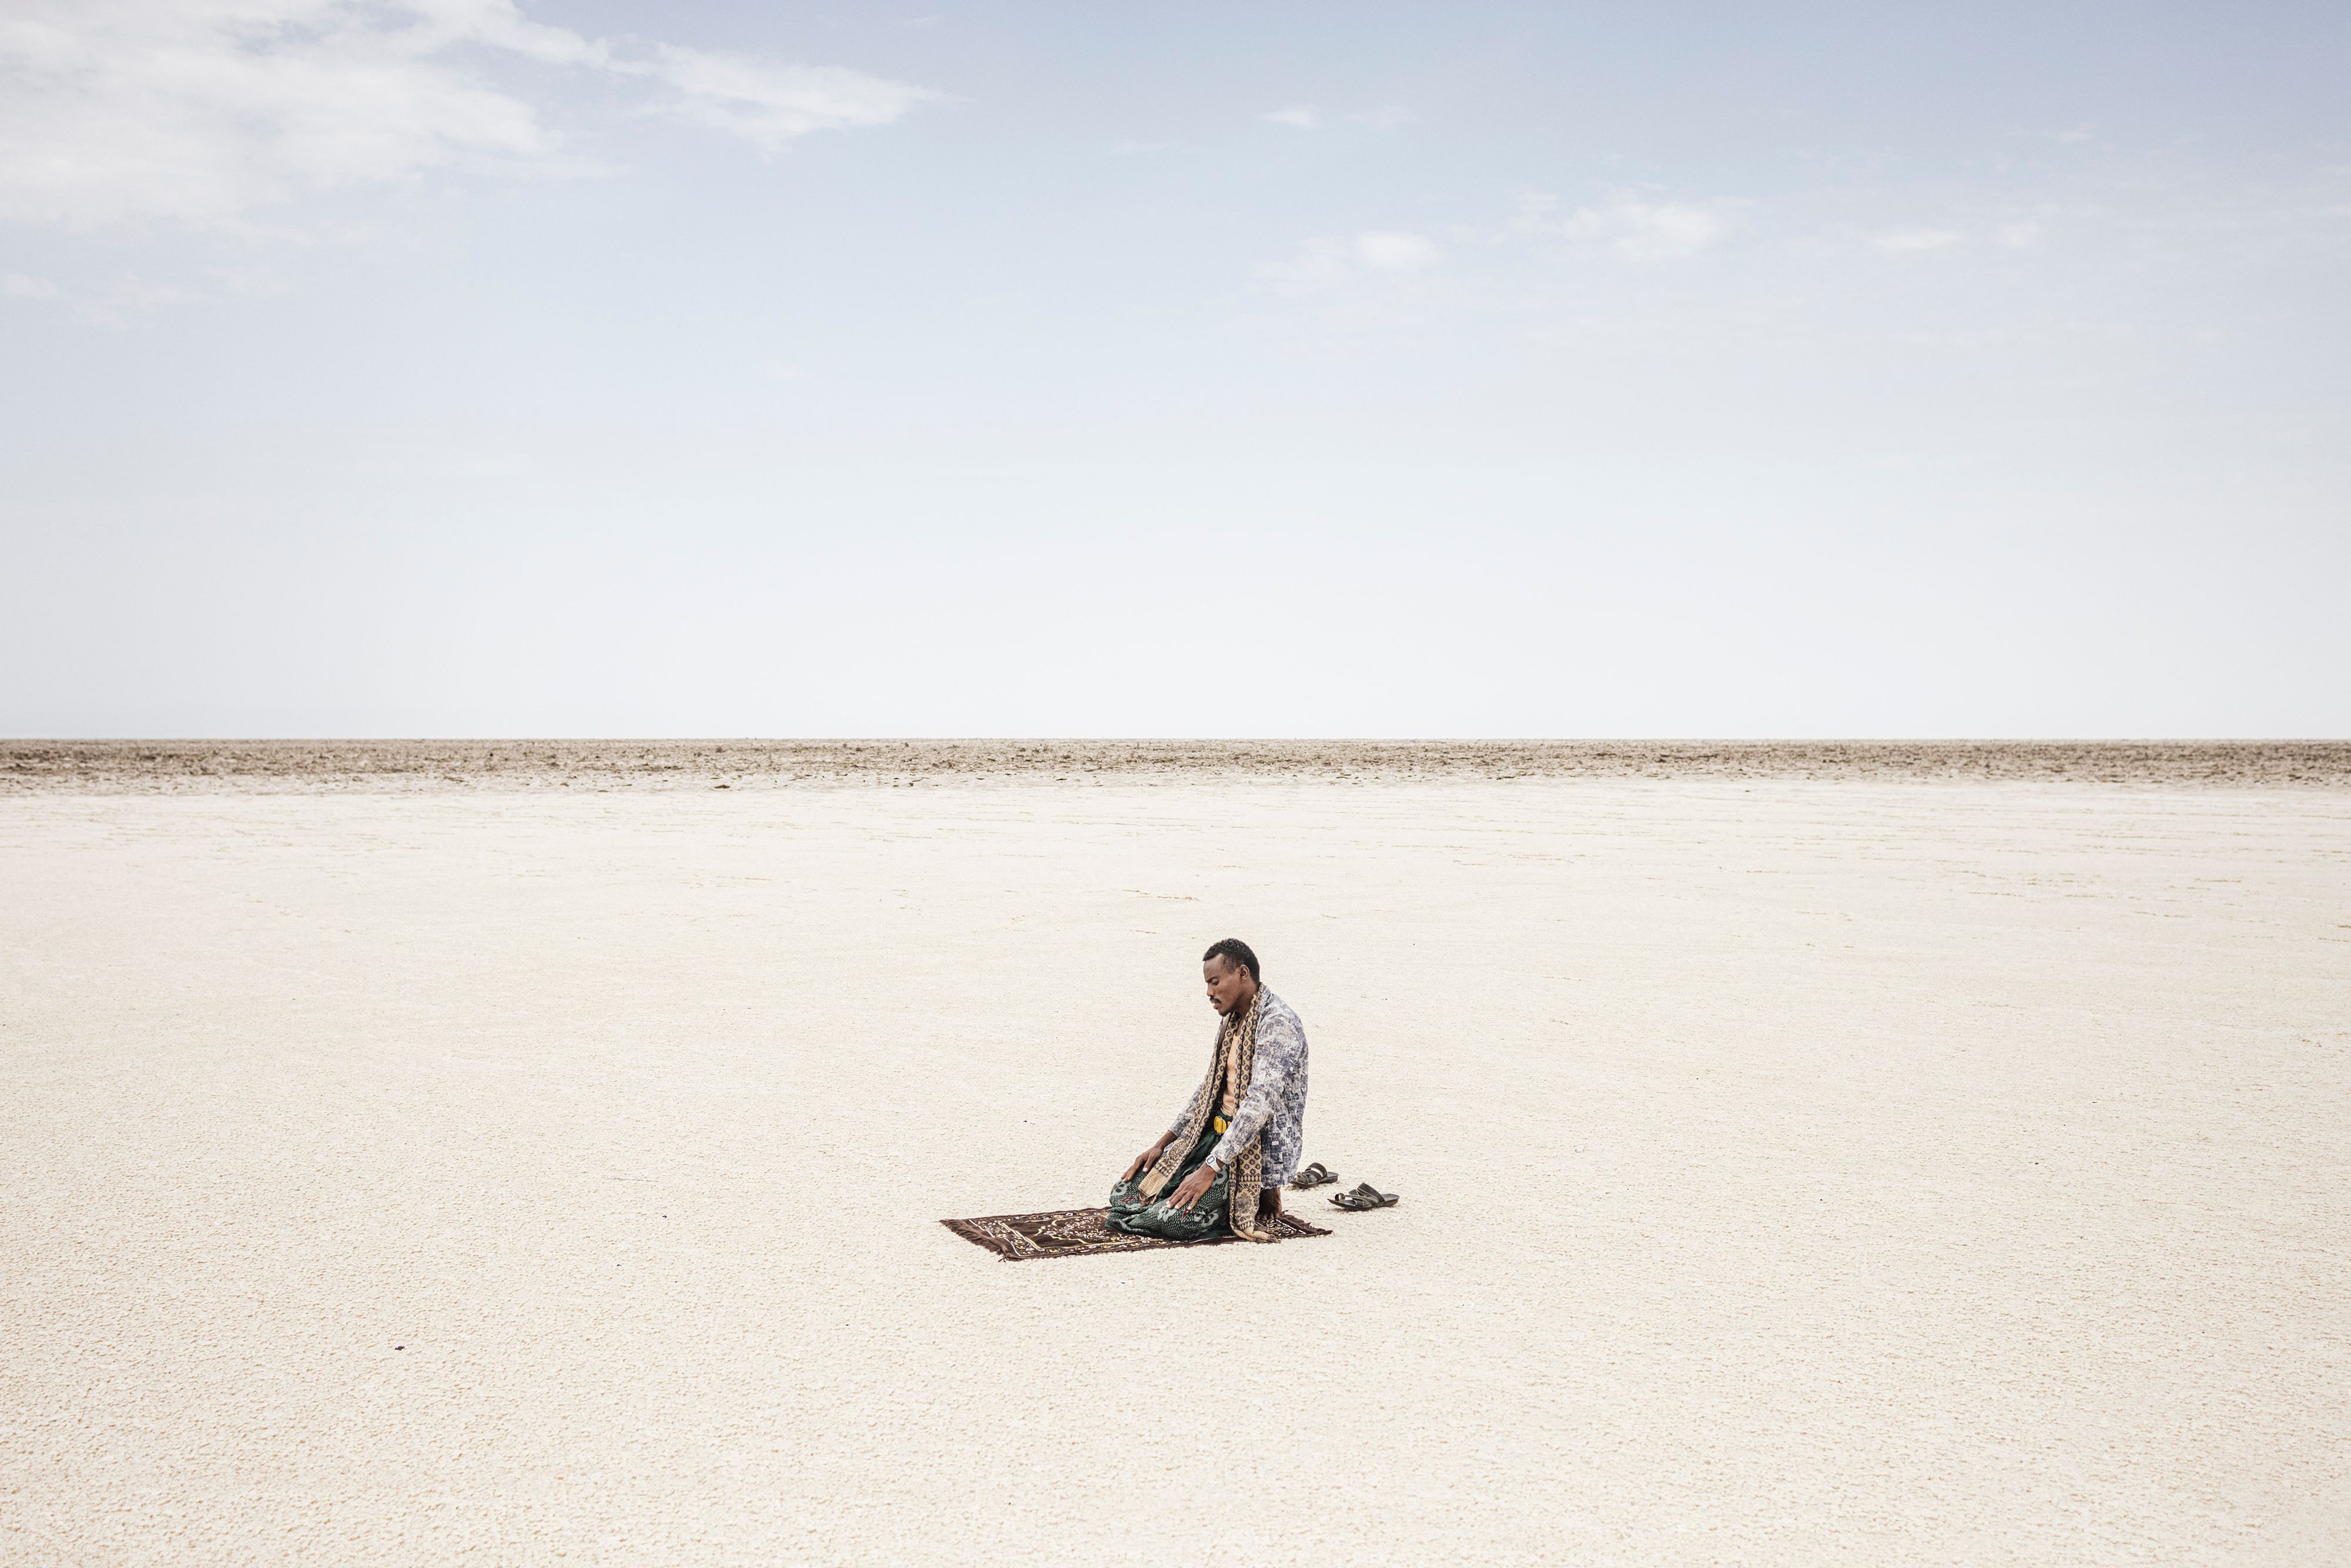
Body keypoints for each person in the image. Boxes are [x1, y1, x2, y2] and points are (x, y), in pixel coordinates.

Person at [1107, 938, 1310, 1243]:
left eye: (1215, 982)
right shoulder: (1233, 1020)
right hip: (1215, 1136)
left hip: (1250, 1150)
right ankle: (1220, 1197)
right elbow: (1209, 1089)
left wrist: (1209, 1169)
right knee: (1126, 1195)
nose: (1209, 993)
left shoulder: (1278, 1024)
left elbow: (1258, 1105)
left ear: (1243, 974)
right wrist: (1164, 1143)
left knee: (1176, 1222)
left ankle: (1254, 1194)